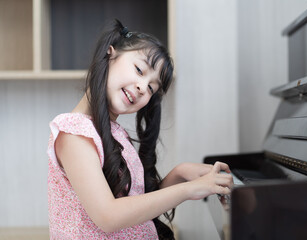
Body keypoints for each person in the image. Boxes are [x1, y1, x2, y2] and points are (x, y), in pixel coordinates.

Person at [47, 19, 233, 239]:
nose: (143, 87)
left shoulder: (115, 133)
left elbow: (136, 206)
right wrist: (190, 189)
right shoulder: (74, 133)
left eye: (152, 88)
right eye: (139, 69)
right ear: (110, 54)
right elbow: (108, 216)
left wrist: (180, 173)